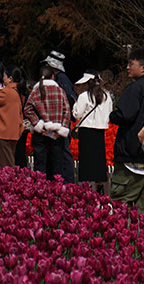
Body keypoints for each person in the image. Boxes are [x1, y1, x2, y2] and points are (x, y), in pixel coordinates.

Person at [112, 48, 144, 223]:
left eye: (131, 64)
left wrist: (113, 115)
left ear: (143, 67)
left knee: (119, 210)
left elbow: (125, 114)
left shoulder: (136, 88)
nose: (127, 67)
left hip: (131, 158)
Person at [23, 65, 71, 180]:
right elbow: (67, 111)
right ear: (53, 77)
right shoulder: (60, 91)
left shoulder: (36, 91)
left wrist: (38, 124)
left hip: (41, 133)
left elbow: (27, 109)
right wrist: (62, 128)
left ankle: (40, 188)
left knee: (40, 166)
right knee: (56, 166)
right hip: (56, 133)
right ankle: (56, 188)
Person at [72, 71, 112, 193]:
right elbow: (109, 113)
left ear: (87, 84)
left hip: (86, 131)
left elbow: (77, 114)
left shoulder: (84, 96)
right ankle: (100, 188)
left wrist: (75, 106)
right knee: (99, 161)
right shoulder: (107, 95)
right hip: (100, 131)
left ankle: (87, 189)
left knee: (86, 162)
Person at [42, 50, 77, 183]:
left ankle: (68, 181)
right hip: (59, 121)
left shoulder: (61, 79)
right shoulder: (61, 78)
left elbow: (69, 100)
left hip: (61, 122)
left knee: (64, 151)